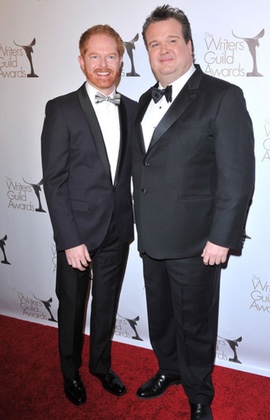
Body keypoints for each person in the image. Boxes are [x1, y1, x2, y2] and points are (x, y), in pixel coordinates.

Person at [132, 5, 255, 420]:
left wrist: (222, 237)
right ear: (147, 53)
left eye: (171, 41)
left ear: (188, 45)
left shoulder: (223, 96)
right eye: (154, 44)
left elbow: (237, 177)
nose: (163, 50)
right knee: (160, 316)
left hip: (196, 242)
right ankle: (168, 369)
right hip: (151, 236)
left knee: (196, 324)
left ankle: (200, 393)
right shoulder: (144, 101)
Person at [41, 24, 137, 406]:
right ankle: (70, 372)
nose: (103, 64)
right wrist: (69, 238)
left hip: (118, 229)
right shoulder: (61, 109)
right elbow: (54, 180)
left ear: (120, 59)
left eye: (111, 56)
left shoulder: (132, 108)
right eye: (94, 56)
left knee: (106, 303)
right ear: (81, 61)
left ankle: (100, 365)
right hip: (77, 233)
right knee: (72, 304)